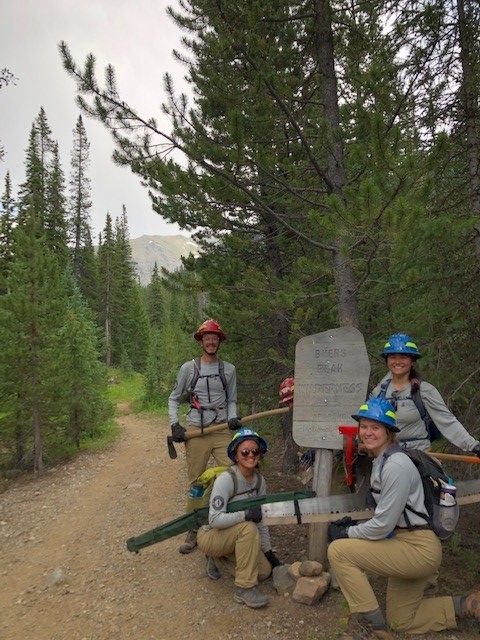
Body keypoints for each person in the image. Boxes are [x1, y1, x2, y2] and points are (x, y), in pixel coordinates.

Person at [327, 397, 480, 639]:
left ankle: (376, 629)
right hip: (407, 545)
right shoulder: (383, 460)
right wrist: (355, 527)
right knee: (403, 620)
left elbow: (383, 525)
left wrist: (347, 533)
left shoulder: (395, 465)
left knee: (338, 551)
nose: (368, 433)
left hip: (417, 549)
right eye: (364, 427)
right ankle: (466, 605)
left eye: (375, 428)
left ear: (389, 432)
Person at [168, 319, 242, 554]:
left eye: (215, 337)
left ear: (220, 341)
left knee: (233, 474)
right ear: (201, 341)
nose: (211, 341)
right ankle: (193, 528)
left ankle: (228, 522)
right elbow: (173, 398)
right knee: (197, 481)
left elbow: (232, 400)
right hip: (196, 430)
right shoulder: (188, 369)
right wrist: (175, 425)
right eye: (207, 337)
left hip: (220, 430)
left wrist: (233, 418)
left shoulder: (228, 369)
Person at [197, 427, 282, 609]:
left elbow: (262, 520)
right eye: (244, 451)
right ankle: (244, 589)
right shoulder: (227, 480)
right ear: (236, 455)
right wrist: (245, 515)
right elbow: (214, 520)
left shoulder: (260, 482)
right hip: (211, 535)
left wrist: (269, 553)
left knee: (264, 571)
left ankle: (218, 558)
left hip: (232, 537)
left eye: (255, 451)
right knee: (248, 528)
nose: (250, 455)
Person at [371, 333, 480, 455]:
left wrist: (473, 446)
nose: (397, 361)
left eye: (403, 357)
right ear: (387, 361)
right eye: (392, 357)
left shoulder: (424, 390)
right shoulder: (379, 393)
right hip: (387, 455)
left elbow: (446, 421)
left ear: (412, 362)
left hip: (420, 455)